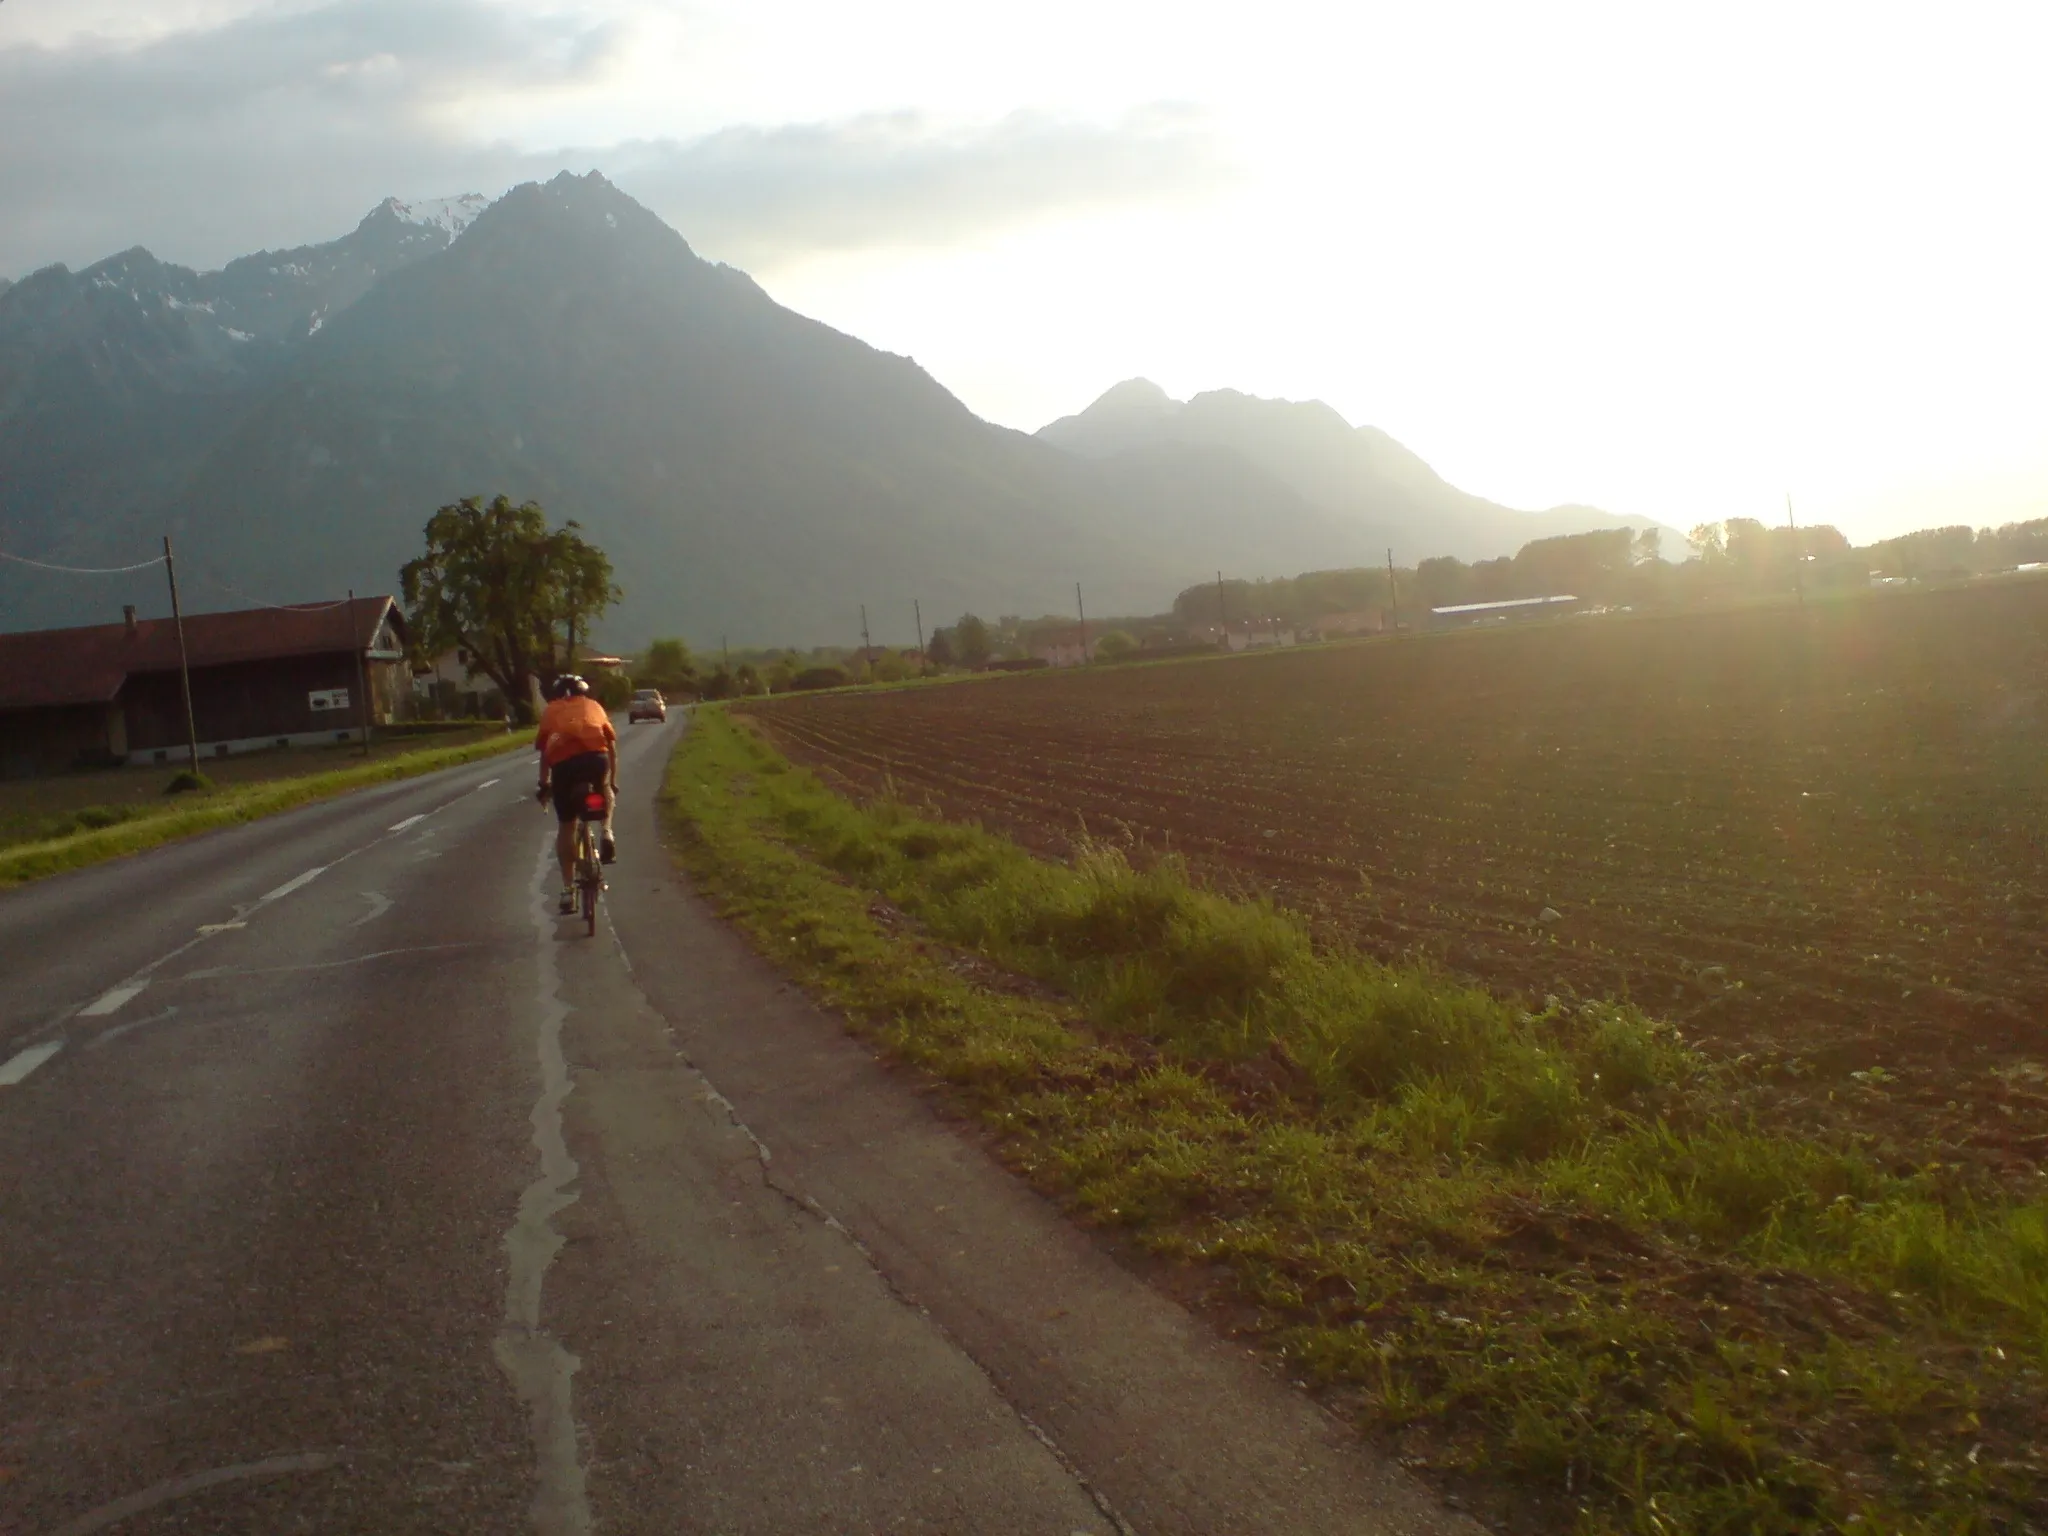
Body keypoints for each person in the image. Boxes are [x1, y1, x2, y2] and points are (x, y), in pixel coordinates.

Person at [534, 675, 618, 914]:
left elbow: (545, 753)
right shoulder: (594, 706)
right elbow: (611, 745)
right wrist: (611, 781)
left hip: (565, 766)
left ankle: (568, 890)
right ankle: (607, 831)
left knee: (566, 825)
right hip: (596, 759)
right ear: (584, 691)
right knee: (605, 791)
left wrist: (543, 784)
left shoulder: (551, 710)